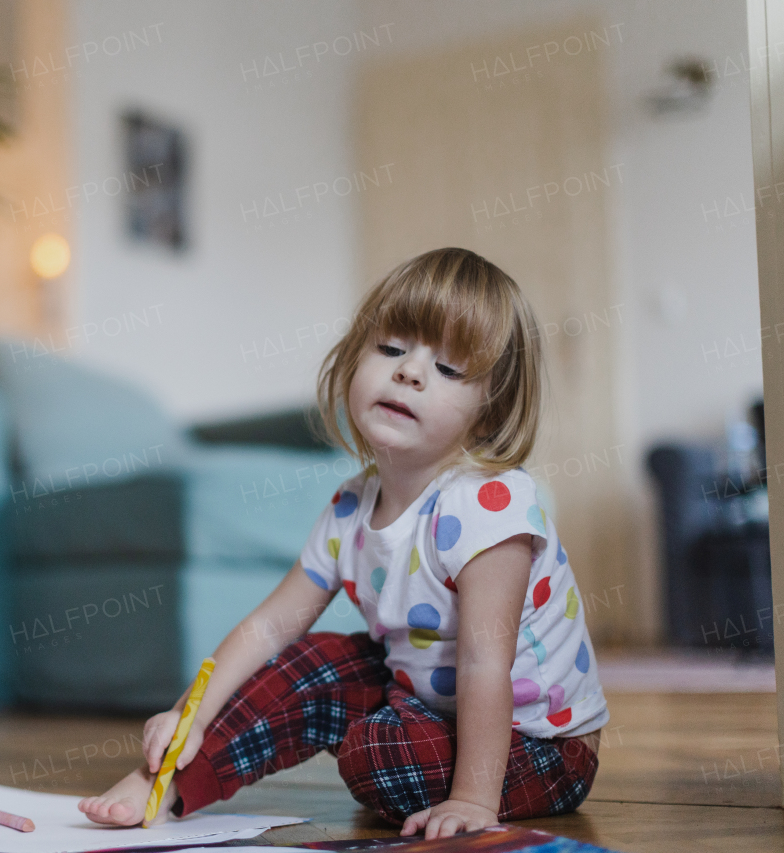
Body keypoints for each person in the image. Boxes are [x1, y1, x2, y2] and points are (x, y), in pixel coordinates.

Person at [79, 247, 609, 839]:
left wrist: (473, 802)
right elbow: (267, 627)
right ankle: (167, 783)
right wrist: (188, 714)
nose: (409, 371)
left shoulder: (491, 503)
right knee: (317, 658)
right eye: (391, 349)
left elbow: (486, 661)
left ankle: (447, 782)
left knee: (378, 755)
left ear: (490, 413)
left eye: (450, 370)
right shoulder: (352, 505)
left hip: (536, 746)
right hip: (425, 706)